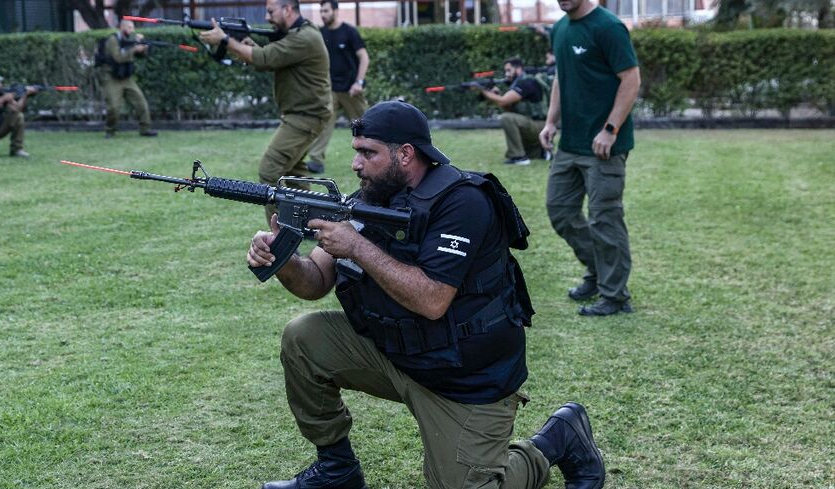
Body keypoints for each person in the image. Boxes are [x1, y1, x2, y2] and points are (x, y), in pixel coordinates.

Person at [246, 100, 606, 489]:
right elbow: (315, 280)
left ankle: (554, 441)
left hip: (464, 377)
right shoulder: (368, 199)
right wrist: (282, 257)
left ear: (406, 154)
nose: (356, 164)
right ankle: (337, 471)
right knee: (304, 337)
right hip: (399, 356)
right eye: (356, 152)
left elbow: (433, 300)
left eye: (368, 153)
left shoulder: (464, 202)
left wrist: (356, 247)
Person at [539, 0, 641, 316]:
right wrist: (551, 121)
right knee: (560, 210)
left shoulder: (607, 27)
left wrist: (610, 129)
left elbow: (631, 78)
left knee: (605, 218)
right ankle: (599, 273)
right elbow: (561, 77)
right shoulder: (560, 28)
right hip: (571, 142)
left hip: (604, 146)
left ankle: (615, 296)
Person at [199, 0, 332, 223]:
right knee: (295, 175)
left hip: (306, 117)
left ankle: (280, 235)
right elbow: (266, 60)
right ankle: (310, 225)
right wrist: (244, 46)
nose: (267, 17)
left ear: (288, 9)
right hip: (305, 115)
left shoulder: (304, 37)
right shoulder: (300, 32)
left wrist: (225, 40)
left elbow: (263, 58)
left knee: (270, 171)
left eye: (271, 12)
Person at [304, 0, 370, 175]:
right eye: (321, 11)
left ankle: (374, 157)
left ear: (335, 10)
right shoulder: (321, 33)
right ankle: (316, 161)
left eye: (326, 11)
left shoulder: (349, 32)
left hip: (351, 90)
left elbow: (364, 57)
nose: (323, 14)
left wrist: (359, 82)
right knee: (323, 123)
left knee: (365, 126)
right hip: (330, 89)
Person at [474, 57, 549, 166]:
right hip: (536, 126)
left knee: (506, 118)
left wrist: (483, 90)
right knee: (508, 116)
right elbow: (508, 108)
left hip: (539, 126)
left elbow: (503, 101)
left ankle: (519, 157)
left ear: (518, 69)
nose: (506, 74)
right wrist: (495, 95)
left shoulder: (526, 82)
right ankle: (541, 152)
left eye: (509, 70)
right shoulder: (520, 83)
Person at [97, 19, 158, 138]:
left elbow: (140, 55)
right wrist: (135, 49)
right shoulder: (113, 40)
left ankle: (145, 129)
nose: (132, 30)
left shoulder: (131, 39)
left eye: (133, 28)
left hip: (126, 77)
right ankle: (110, 131)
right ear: (122, 28)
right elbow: (118, 58)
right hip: (111, 77)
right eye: (129, 28)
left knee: (141, 103)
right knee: (114, 107)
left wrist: (143, 47)